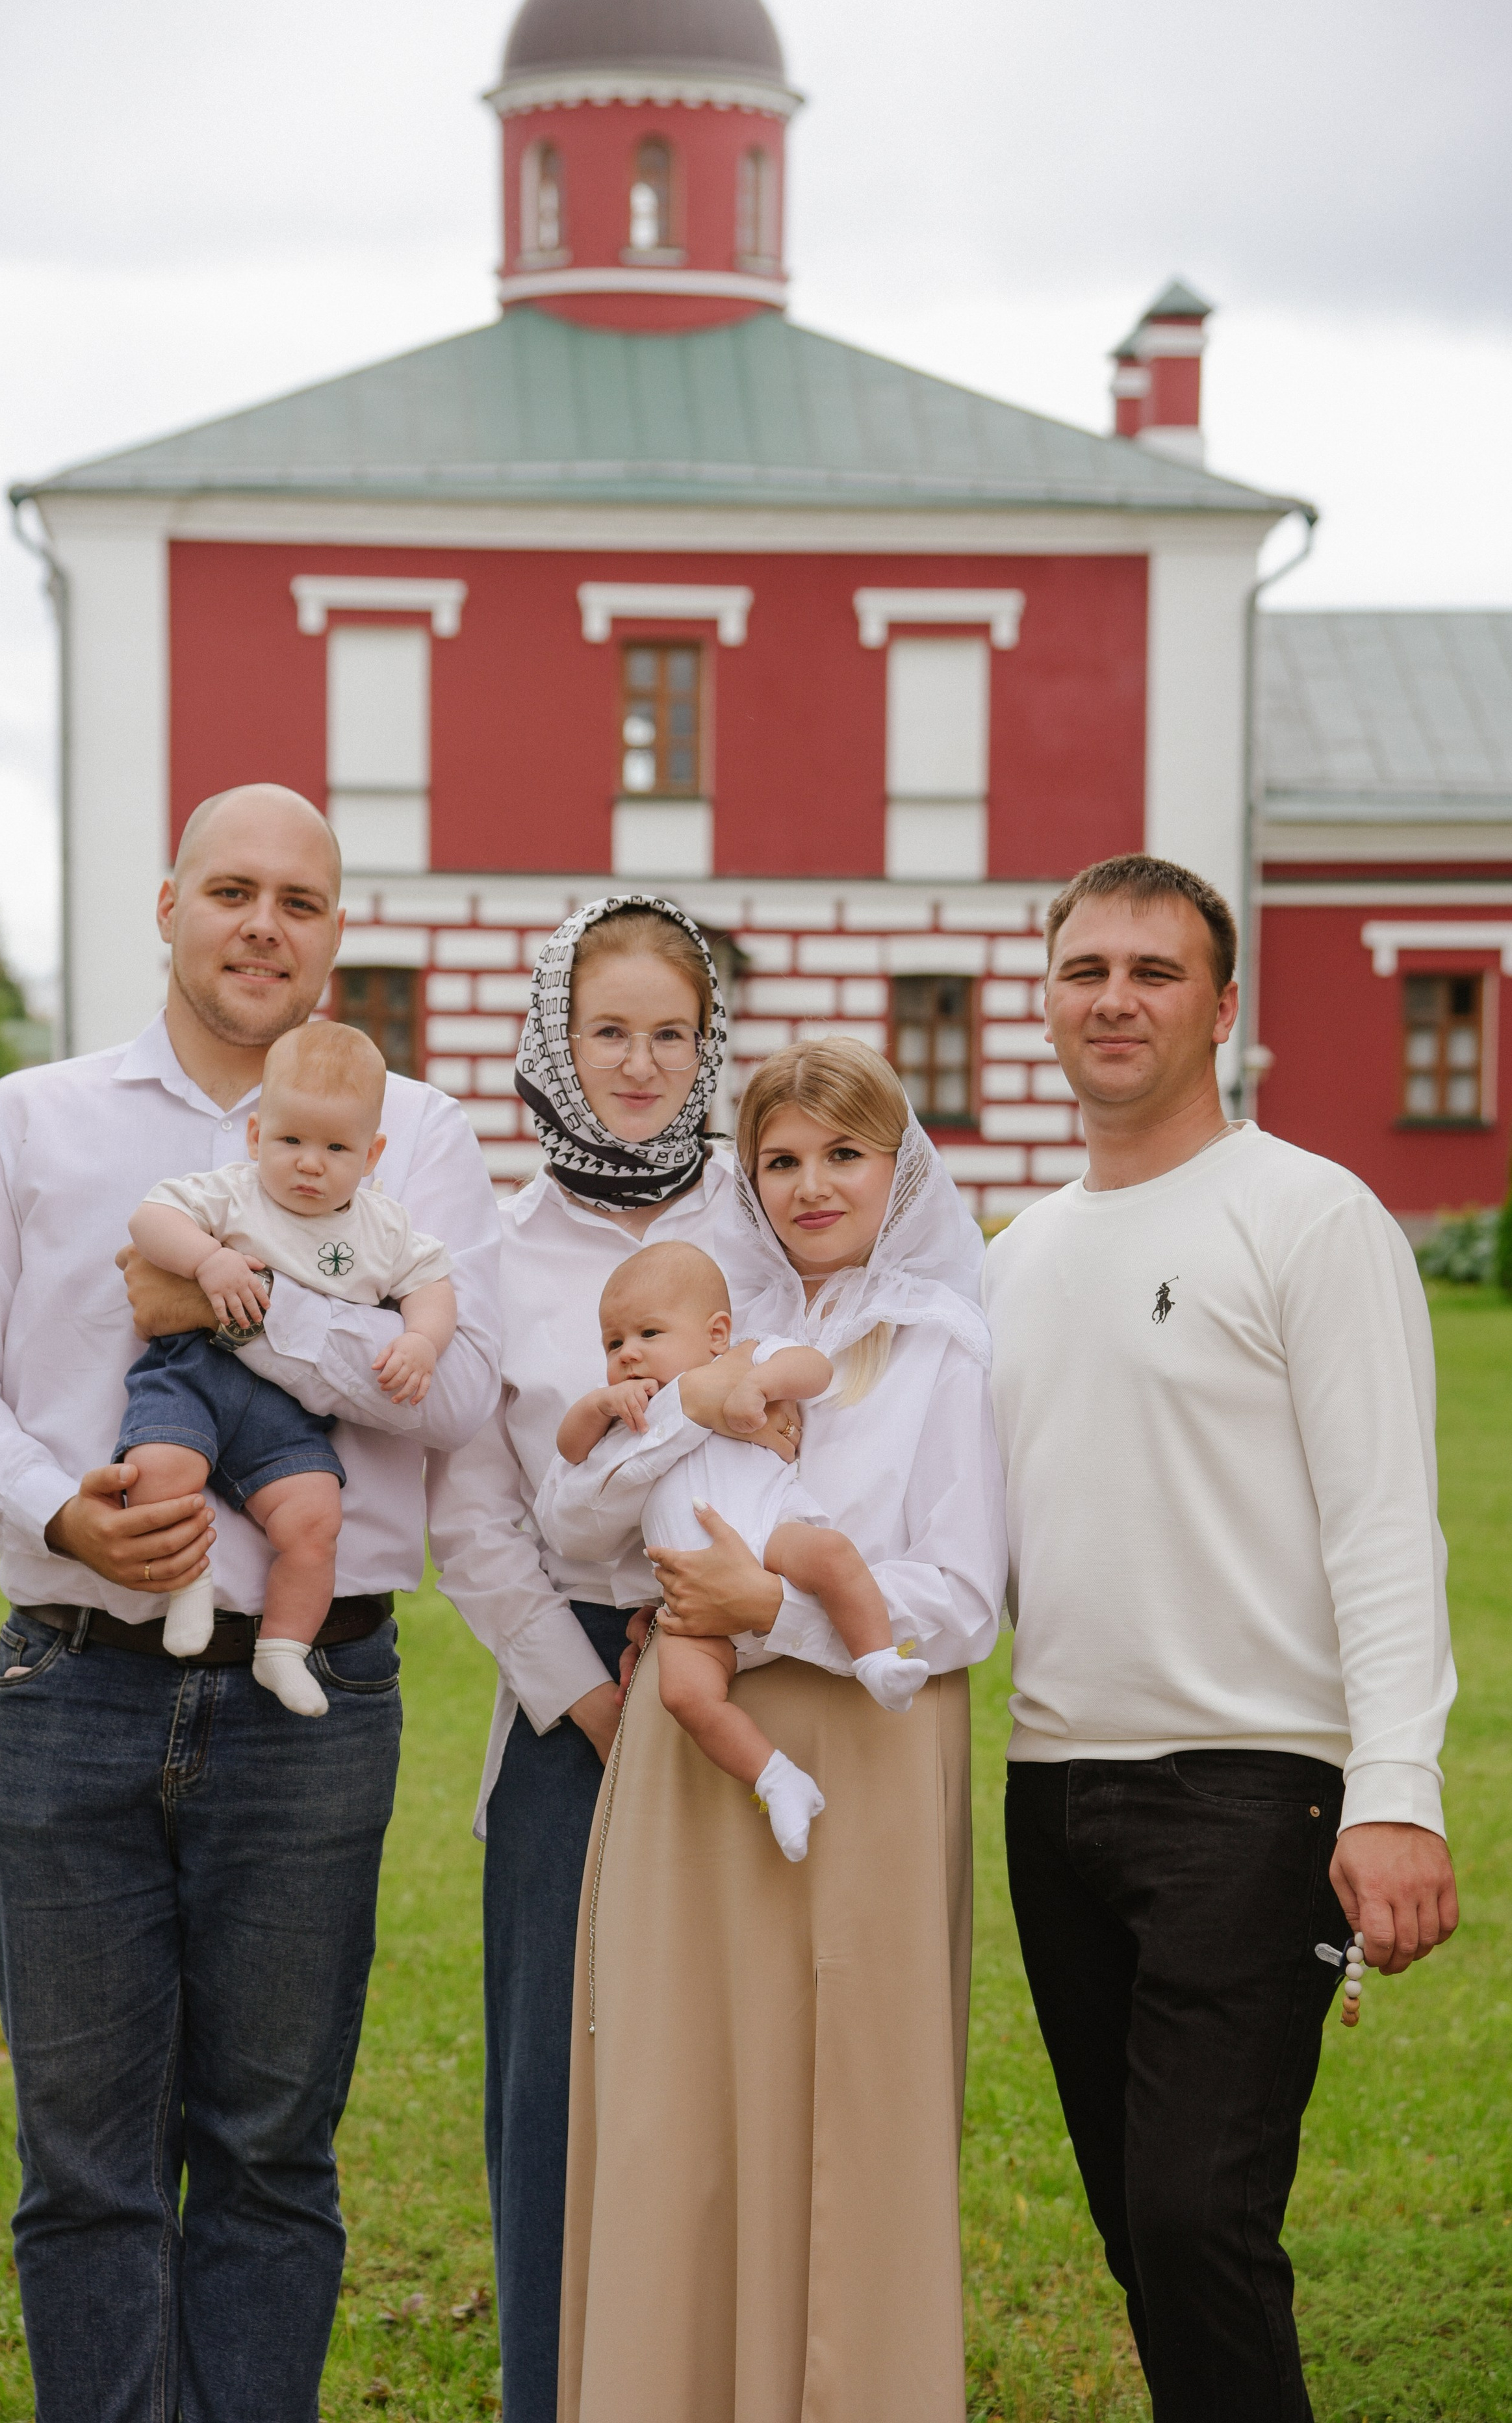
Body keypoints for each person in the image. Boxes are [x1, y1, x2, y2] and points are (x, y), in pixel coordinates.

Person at [0, 784, 501, 2423]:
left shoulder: (417, 1136)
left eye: (300, 898)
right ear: (166, 904)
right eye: (231, 888)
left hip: (316, 1706)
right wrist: (61, 1508)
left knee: (271, 2156)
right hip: (71, 1684)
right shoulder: (33, 1120)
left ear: (335, 928)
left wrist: (255, 1310)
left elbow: (459, 1397)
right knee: (82, 2164)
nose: (263, 924)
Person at [984, 851, 1460, 2423]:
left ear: (1221, 1006)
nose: (1111, 996)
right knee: (1144, 2224)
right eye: (1082, 968)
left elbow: (1383, 1519)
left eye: (1152, 969)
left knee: (1197, 2210)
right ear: (1044, 999)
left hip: (1248, 1790)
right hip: (1048, 1788)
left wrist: (1395, 1785)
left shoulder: (1308, 1216)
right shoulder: (1009, 1258)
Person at [544, 1035, 1008, 2423]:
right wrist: (682, 1398)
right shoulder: (696, 1333)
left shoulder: (936, 1347)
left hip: (860, 1750)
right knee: (676, 2109)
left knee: (848, 2114)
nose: (812, 1186)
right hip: (695, 1769)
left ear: (896, 1164)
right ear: (745, 1181)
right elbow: (573, 1525)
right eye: (780, 1161)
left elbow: (967, 1596)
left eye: (843, 1156)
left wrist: (777, 1610)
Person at [425, 894, 743, 2423]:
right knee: (556, 2090)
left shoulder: (760, 1218)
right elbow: (476, 1520)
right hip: (575, 1709)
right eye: (605, 1030)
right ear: (554, 1037)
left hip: (753, 1667)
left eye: (668, 1033)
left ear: (708, 1048)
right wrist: (603, 1700)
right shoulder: (491, 1251)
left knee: (731, 2072)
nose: (637, 1064)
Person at [546, 1239, 930, 1859]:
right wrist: (598, 1404)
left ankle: (876, 1659)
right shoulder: (631, 1412)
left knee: (832, 1556)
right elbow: (569, 1451)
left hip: (771, 1534)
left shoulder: (752, 1354)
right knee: (685, 1695)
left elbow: (816, 1369)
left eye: (648, 1332)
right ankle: (777, 1778)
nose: (629, 1354)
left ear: (716, 1332)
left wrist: (760, 1384)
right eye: (613, 1344)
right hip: (691, 1598)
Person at [122, 1017, 457, 1713]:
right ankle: (189, 1591)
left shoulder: (381, 1226)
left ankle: (283, 1648)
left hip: (290, 1412)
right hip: (195, 1372)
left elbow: (432, 1282)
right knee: (159, 1472)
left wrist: (422, 1339)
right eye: (290, 1140)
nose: (310, 1163)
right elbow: (150, 1219)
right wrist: (206, 1258)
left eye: (337, 1146)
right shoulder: (234, 1191)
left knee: (313, 1522)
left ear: (372, 1154)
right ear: (256, 1137)